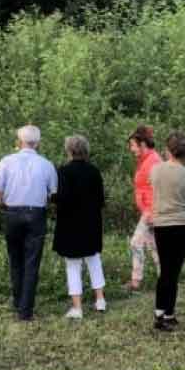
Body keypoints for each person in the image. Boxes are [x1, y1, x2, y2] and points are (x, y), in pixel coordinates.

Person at [0, 125, 57, 321]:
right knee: (31, 261)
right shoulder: (46, 164)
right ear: (38, 143)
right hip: (36, 214)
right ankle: (25, 310)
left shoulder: (7, 161)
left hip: (12, 213)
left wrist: (3, 204)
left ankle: (18, 301)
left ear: (19, 142)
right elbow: (54, 194)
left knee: (15, 259)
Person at [52, 135, 107, 319]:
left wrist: (53, 199)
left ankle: (77, 307)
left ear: (69, 151)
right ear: (86, 150)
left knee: (73, 265)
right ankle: (100, 300)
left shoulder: (63, 172)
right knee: (94, 260)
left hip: (70, 223)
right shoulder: (94, 171)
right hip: (91, 222)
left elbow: (59, 198)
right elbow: (101, 200)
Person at [150, 131, 185, 331]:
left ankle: (161, 312)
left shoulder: (155, 170)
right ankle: (166, 314)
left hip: (161, 225)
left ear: (168, 150)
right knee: (174, 271)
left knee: (165, 269)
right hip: (182, 225)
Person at [126, 125, 161, 292]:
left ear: (142, 144)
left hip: (152, 212)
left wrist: (152, 212)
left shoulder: (153, 161)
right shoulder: (145, 160)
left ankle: (136, 281)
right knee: (154, 246)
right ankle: (166, 278)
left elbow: (160, 188)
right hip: (148, 211)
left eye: (133, 145)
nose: (131, 149)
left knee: (136, 243)